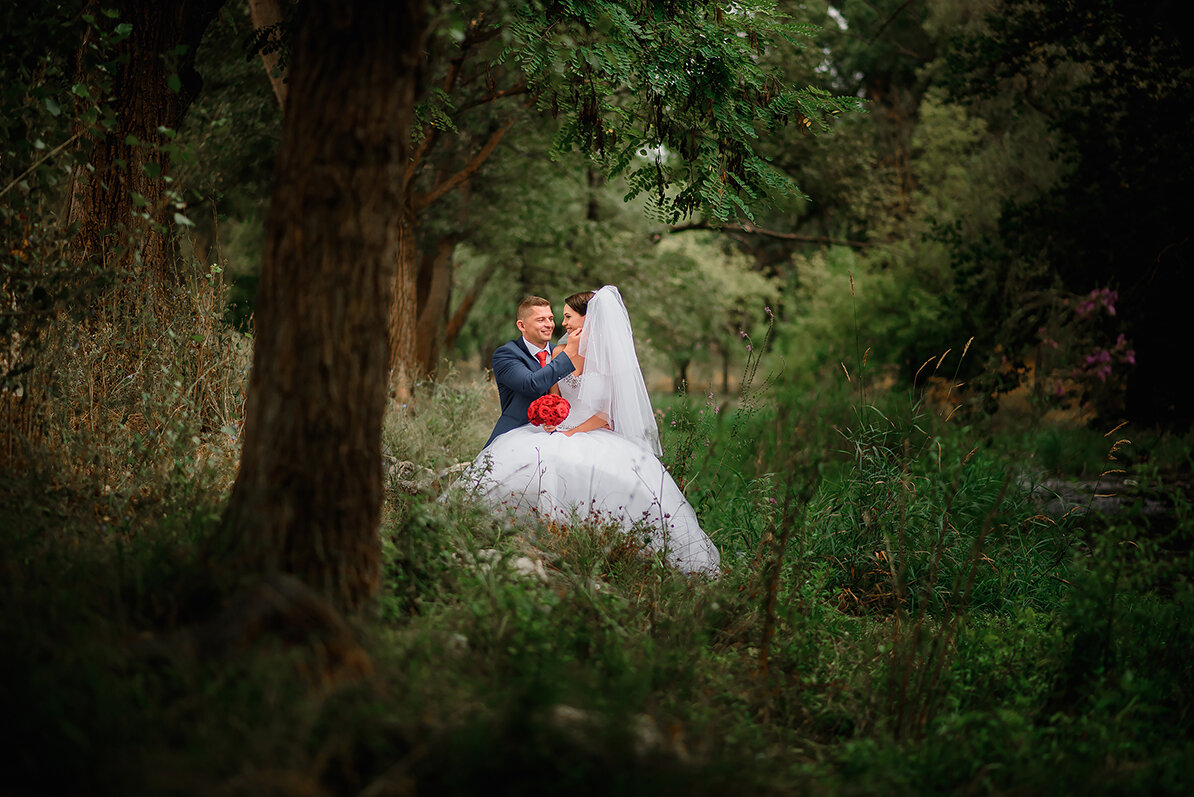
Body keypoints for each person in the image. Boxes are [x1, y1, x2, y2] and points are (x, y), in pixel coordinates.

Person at [469, 286, 720, 574]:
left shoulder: (607, 357)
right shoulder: (541, 352)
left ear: (589, 319)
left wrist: (571, 432)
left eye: (564, 317)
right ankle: (531, 541)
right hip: (554, 430)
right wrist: (554, 417)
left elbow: (608, 413)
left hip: (591, 433)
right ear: (522, 325)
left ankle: (608, 550)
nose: (559, 324)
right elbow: (544, 390)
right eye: (548, 319)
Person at [486, 296, 581, 447]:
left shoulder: (559, 352)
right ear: (522, 325)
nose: (549, 325)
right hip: (517, 434)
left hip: (560, 435)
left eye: (550, 318)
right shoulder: (506, 354)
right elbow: (531, 384)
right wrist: (568, 354)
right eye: (541, 320)